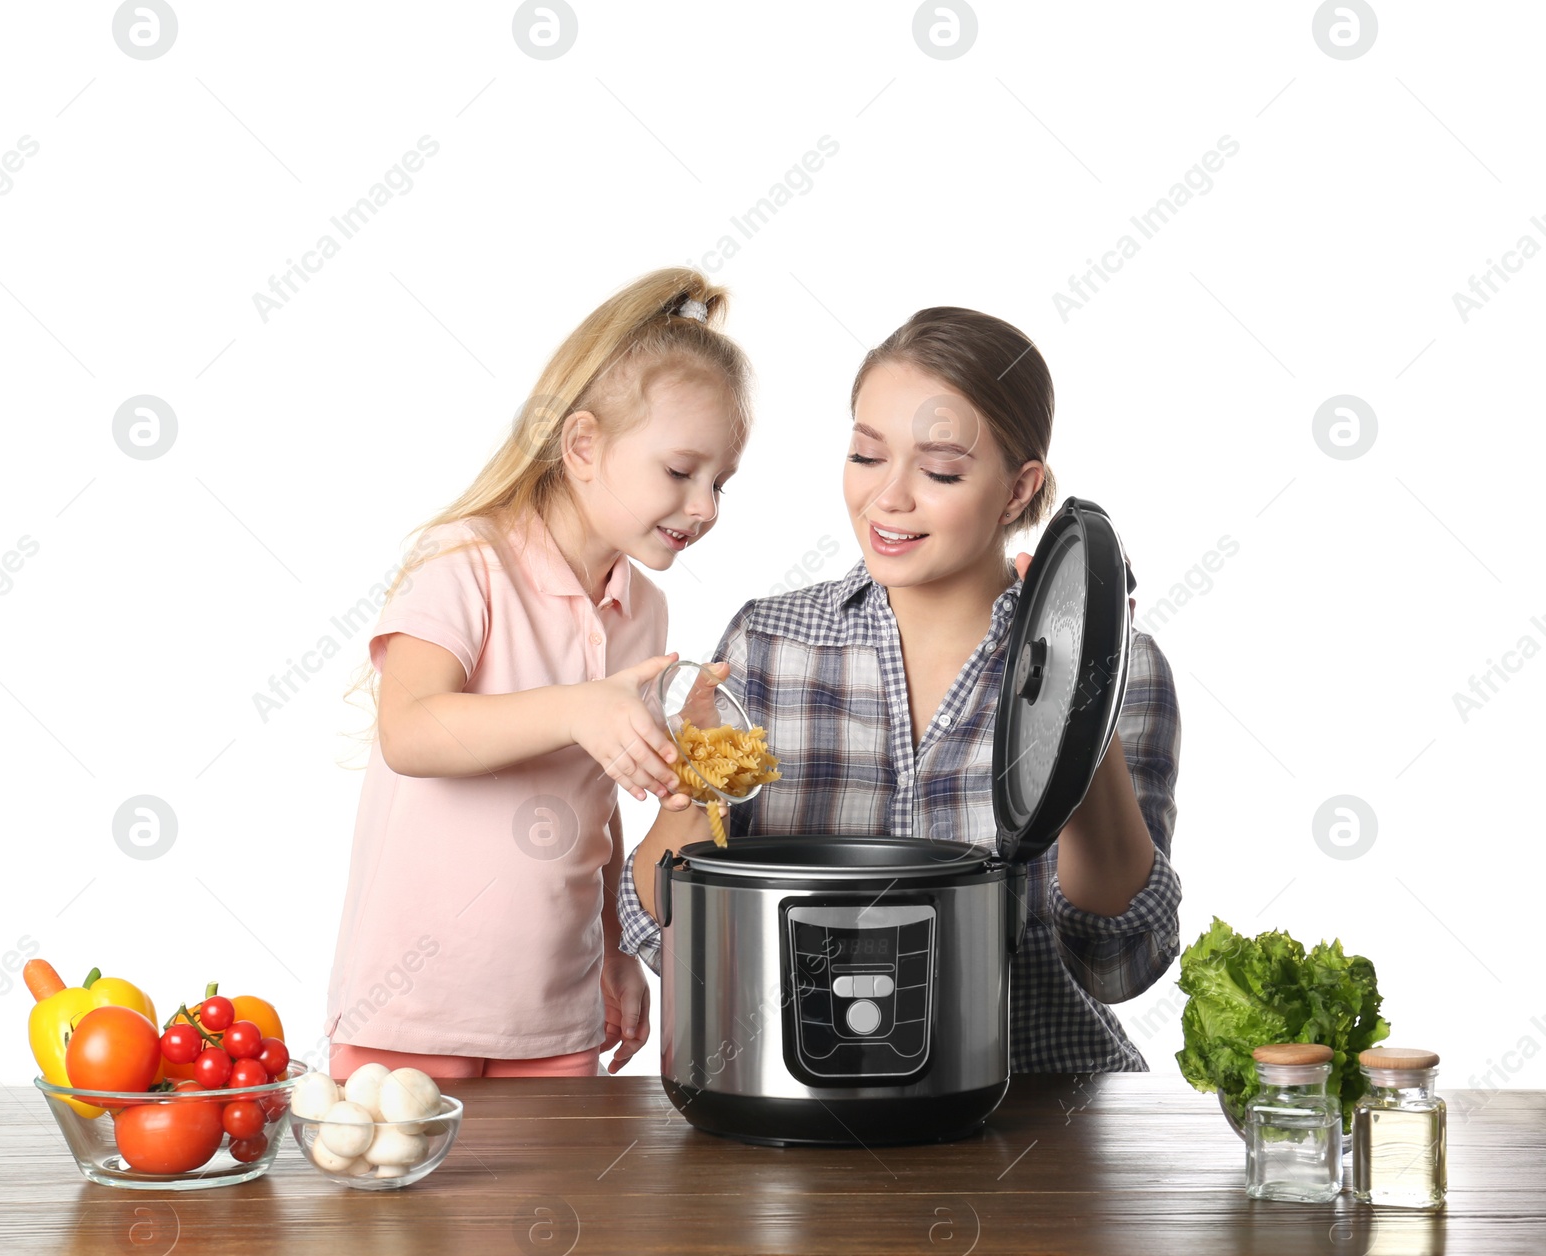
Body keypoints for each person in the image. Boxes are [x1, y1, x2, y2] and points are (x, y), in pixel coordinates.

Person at [620, 306, 1182, 1072]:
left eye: (941, 470)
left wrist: (1080, 695)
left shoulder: (1127, 665)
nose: (888, 499)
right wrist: (691, 786)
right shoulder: (770, 645)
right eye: (865, 455)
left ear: (1019, 491)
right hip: (801, 1103)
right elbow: (671, 939)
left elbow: (1117, 961)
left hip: (1044, 1121)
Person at [323, 267, 752, 1078]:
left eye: (720, 483)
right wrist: (577, 709)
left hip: (555, 1015)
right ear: (583, 444)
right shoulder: (466, 560)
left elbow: (592, 799)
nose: (705, 507)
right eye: (680, 471)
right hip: (412, 1011)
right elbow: (410, 730)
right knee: (393, 1207)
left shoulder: (644, 611)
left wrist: (618, 948)